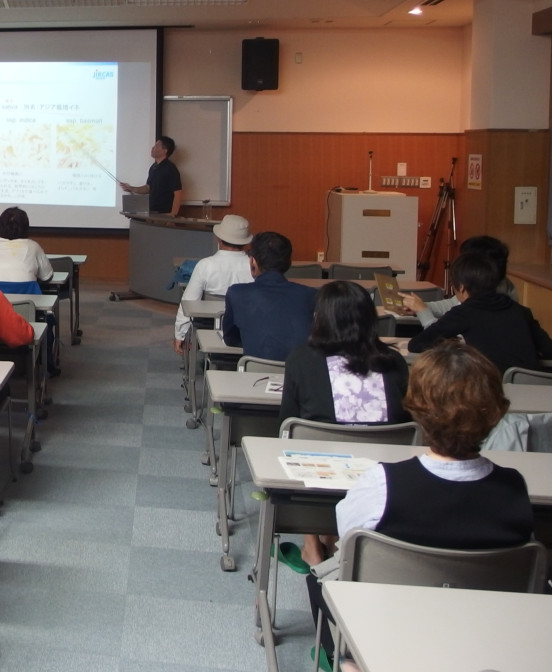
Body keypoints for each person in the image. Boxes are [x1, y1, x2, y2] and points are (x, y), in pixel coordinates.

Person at [308, 342, 533, 668]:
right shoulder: (514, 488)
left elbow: (348, 535)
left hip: (390, 627)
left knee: (320, 579)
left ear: (417, 407)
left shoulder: (383, 483)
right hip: (485, 636)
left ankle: (347, 662)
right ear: (494, 410)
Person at [278, 279, 410, 567]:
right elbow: (406, 420)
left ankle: (312, 546)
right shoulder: (395, 362)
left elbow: (287, 425)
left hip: (317, 483)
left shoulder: (302, 359)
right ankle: (332, 539)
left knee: (300, 441)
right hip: (384, 479)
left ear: (320, 319)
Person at [406, 250, 552, 373]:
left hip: (491, 388)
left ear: (461, 288)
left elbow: (417, 344)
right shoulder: (521, 311)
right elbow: (549, 351)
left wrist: (451, 344)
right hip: (535, 387)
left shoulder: (464, 312)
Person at [222, 231, 316, 361]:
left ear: (252, 262)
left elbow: (230, 339)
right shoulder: (310, 295)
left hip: (254, 370)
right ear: (288, 263)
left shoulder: (237, 293)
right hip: (298, 370)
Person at [173, 214, 254, 354]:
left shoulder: (205, 265)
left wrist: (180, 334)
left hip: (207, 324)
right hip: (244, 327)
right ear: (245, 242)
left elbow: (189, 302)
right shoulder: (254, 266)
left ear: (219, 239)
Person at [401, 234, 517, 326]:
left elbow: (439, 338)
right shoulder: (485, 285)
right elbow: (453, 304)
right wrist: (420, 306)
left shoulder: (492, 301)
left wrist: (423, 311)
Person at [0, 206, 52, 294]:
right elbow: (47, 277)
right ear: (26, 228)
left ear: (0, 227)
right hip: (27, 299)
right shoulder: (33, 246)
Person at [120, 136, 183, 216]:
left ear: (165, 151)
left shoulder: (170, 168)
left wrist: (173, 214)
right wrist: (131, 188)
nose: (153, 148)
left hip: (164, 214)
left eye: (157, 145)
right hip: (152, 212)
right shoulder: (153, 167)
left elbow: (178, 193)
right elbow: (148, 188)